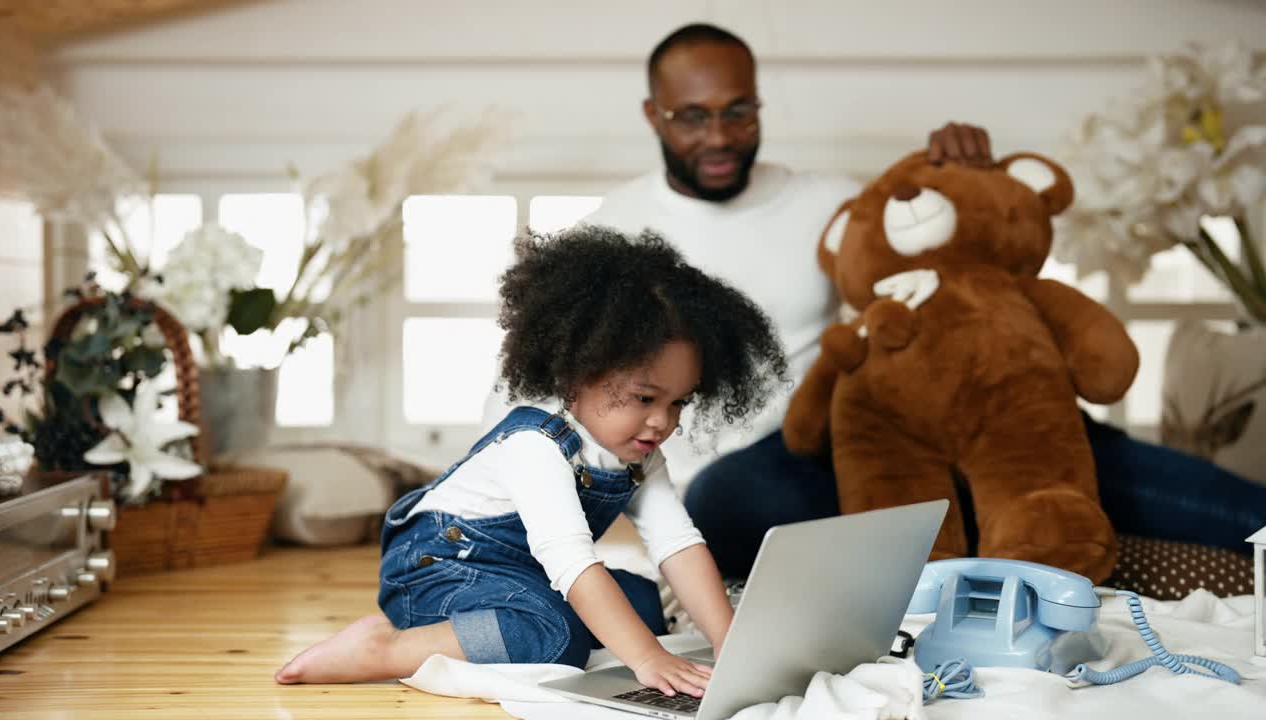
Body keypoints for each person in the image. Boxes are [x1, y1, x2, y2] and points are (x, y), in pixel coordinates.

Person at [485, 22, 1266, 581]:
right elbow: (546, 388)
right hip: (771, 471)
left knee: (1050, 435)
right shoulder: (614, 228)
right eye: (693, 116)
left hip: (881, 418)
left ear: (758, 104)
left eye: (739, 109)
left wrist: (967, 176)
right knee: (725, 500)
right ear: (655, 115)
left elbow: (945, 271)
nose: (719, 134)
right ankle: (964, 523)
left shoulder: (830, 202)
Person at [275, 227, 789, 698]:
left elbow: (678, 544)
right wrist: (647, 658)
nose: (661, 422)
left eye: (678, 402)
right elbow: (570, 561)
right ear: (575, 375)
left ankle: (500, 624)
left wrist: (730, 643)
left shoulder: (637, 454)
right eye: (644, 398)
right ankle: (382, 648)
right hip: (439, 569)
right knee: (553, 637)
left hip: (520, 572)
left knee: (643, 606)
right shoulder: (536, 446)